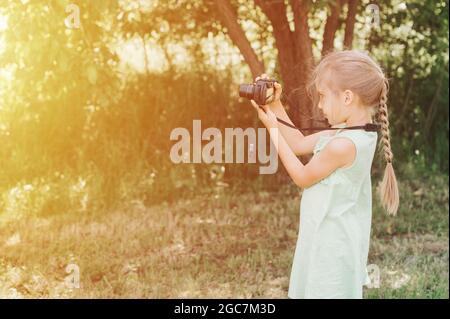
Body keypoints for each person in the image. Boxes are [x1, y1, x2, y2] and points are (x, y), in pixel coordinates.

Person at [250, 50, 400, 299]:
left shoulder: (343, 144)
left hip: (332, 249)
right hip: (324, 239)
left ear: (347, 97)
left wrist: (273, 130)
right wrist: (275, 105)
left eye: (322, 96)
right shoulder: (351, 133)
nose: (319, 105)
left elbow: (302, 177)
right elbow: (298, 144)